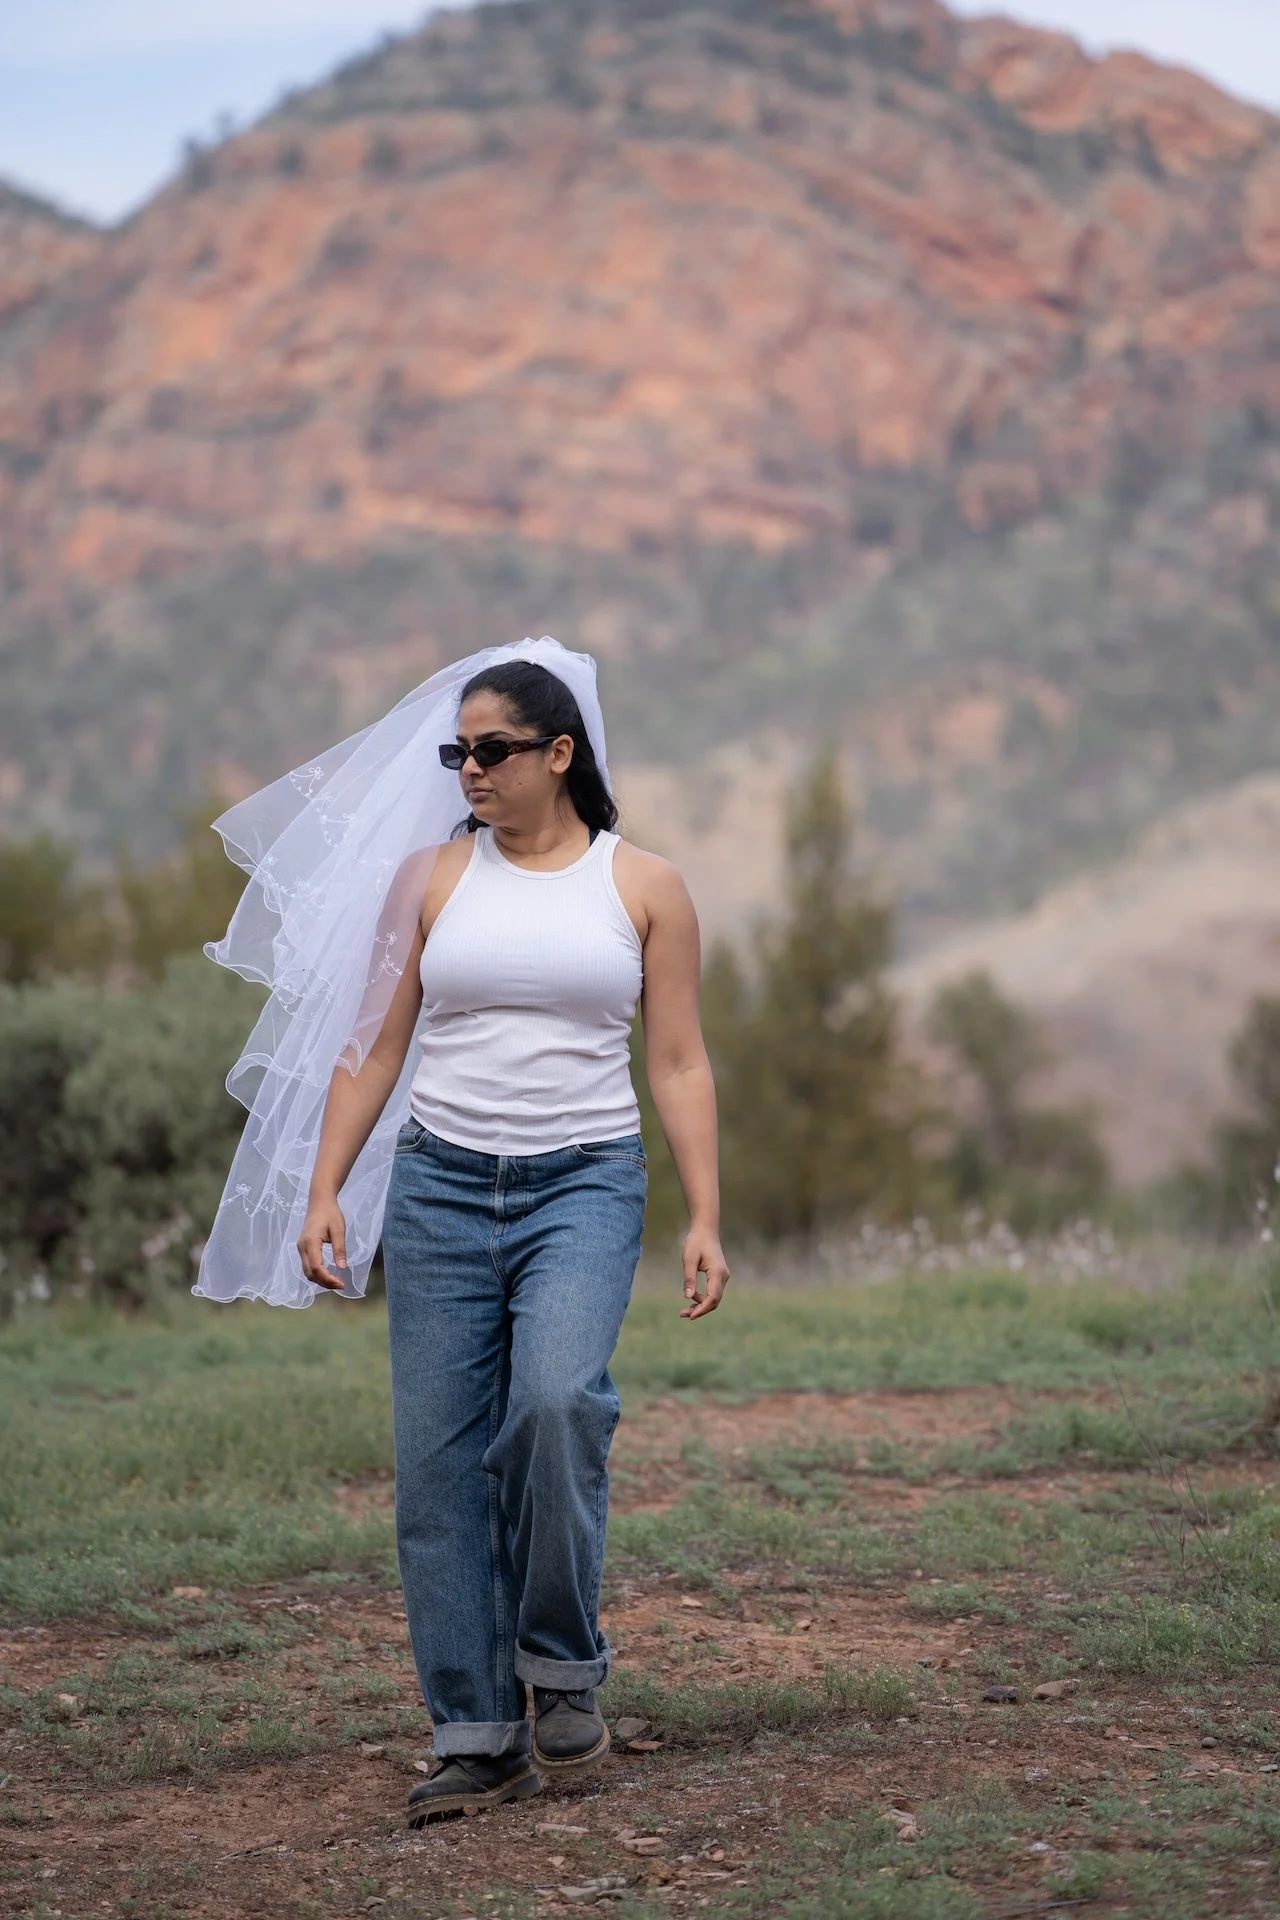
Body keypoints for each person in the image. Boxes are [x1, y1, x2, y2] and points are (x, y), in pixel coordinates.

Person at [196, 638, 728, 1826]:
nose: (469, 771)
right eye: (457, 753)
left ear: (558, 753)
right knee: (436, 1467)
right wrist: (325, 1188)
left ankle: (560, 1661)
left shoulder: (643, 887)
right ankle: (478, 1734)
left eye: (491, 751)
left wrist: (704, 1216)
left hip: (585, 1184)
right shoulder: (431, 880)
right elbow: (373, 1047)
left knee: (553, 1405)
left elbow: (680, 1060)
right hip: (440, 1190)